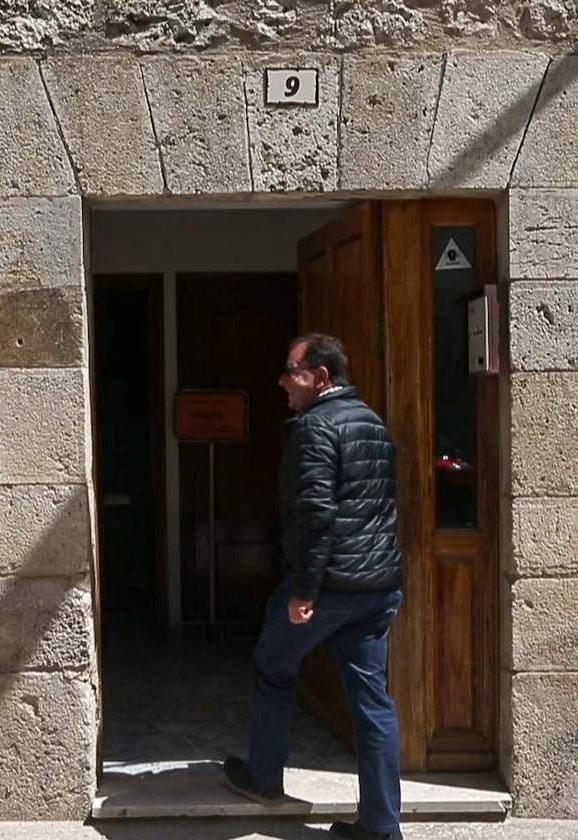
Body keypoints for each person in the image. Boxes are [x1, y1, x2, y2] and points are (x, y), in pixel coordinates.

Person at [223, 333, 404, 840]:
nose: (282, 380)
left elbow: (315, 517)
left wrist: (304, 591)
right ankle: (382, 828)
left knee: (272, 665)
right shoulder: (373, 423)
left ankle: (263, 778)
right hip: (377, 587)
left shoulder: (314, 429)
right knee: (373, 703)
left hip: (329, 586)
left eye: (290, 370)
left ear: (321, 377)